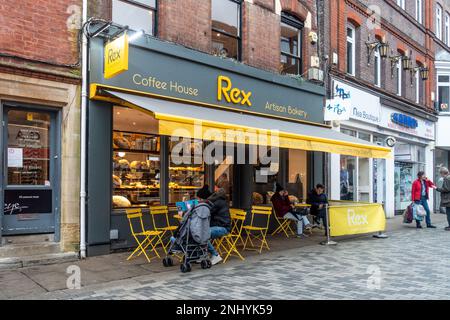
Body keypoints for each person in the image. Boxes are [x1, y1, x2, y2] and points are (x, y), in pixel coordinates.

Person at [206, 187, 231, 265]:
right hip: (220, 226)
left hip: (223, 228)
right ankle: (202, 255)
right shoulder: (220, 201)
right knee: (199, 234)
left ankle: (215, 255)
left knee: (202, 235)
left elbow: (208, 211)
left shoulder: (218, 202)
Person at [436, 167, 450, 231]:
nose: (440, 175)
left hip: (448, 199)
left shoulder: (447, 178)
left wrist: (437, 188)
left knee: (448, 213)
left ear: (443, 173)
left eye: (440, 173)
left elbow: (447, 189)